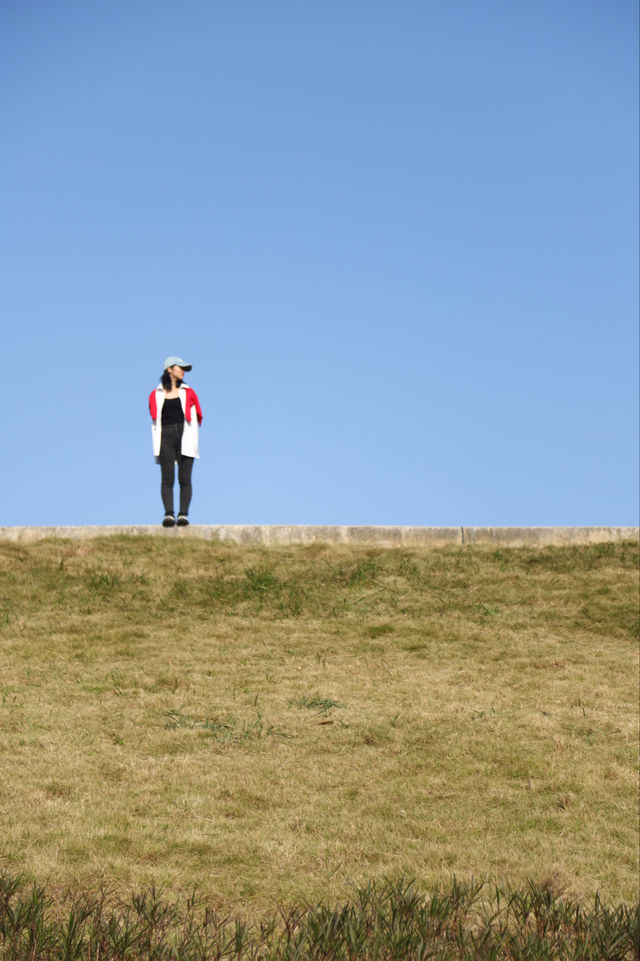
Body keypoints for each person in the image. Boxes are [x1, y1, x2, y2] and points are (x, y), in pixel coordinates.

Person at [149, 356, 203, 527]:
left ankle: (183, 515)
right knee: (167, 478)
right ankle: (169, 514)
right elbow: (154, 415)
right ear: (169, 369)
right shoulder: (156, 394)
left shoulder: (188, 392)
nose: (183, 371)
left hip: (185, 435)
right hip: (165, 436)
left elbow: (198, 415)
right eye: (180, 368)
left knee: (185, 477)